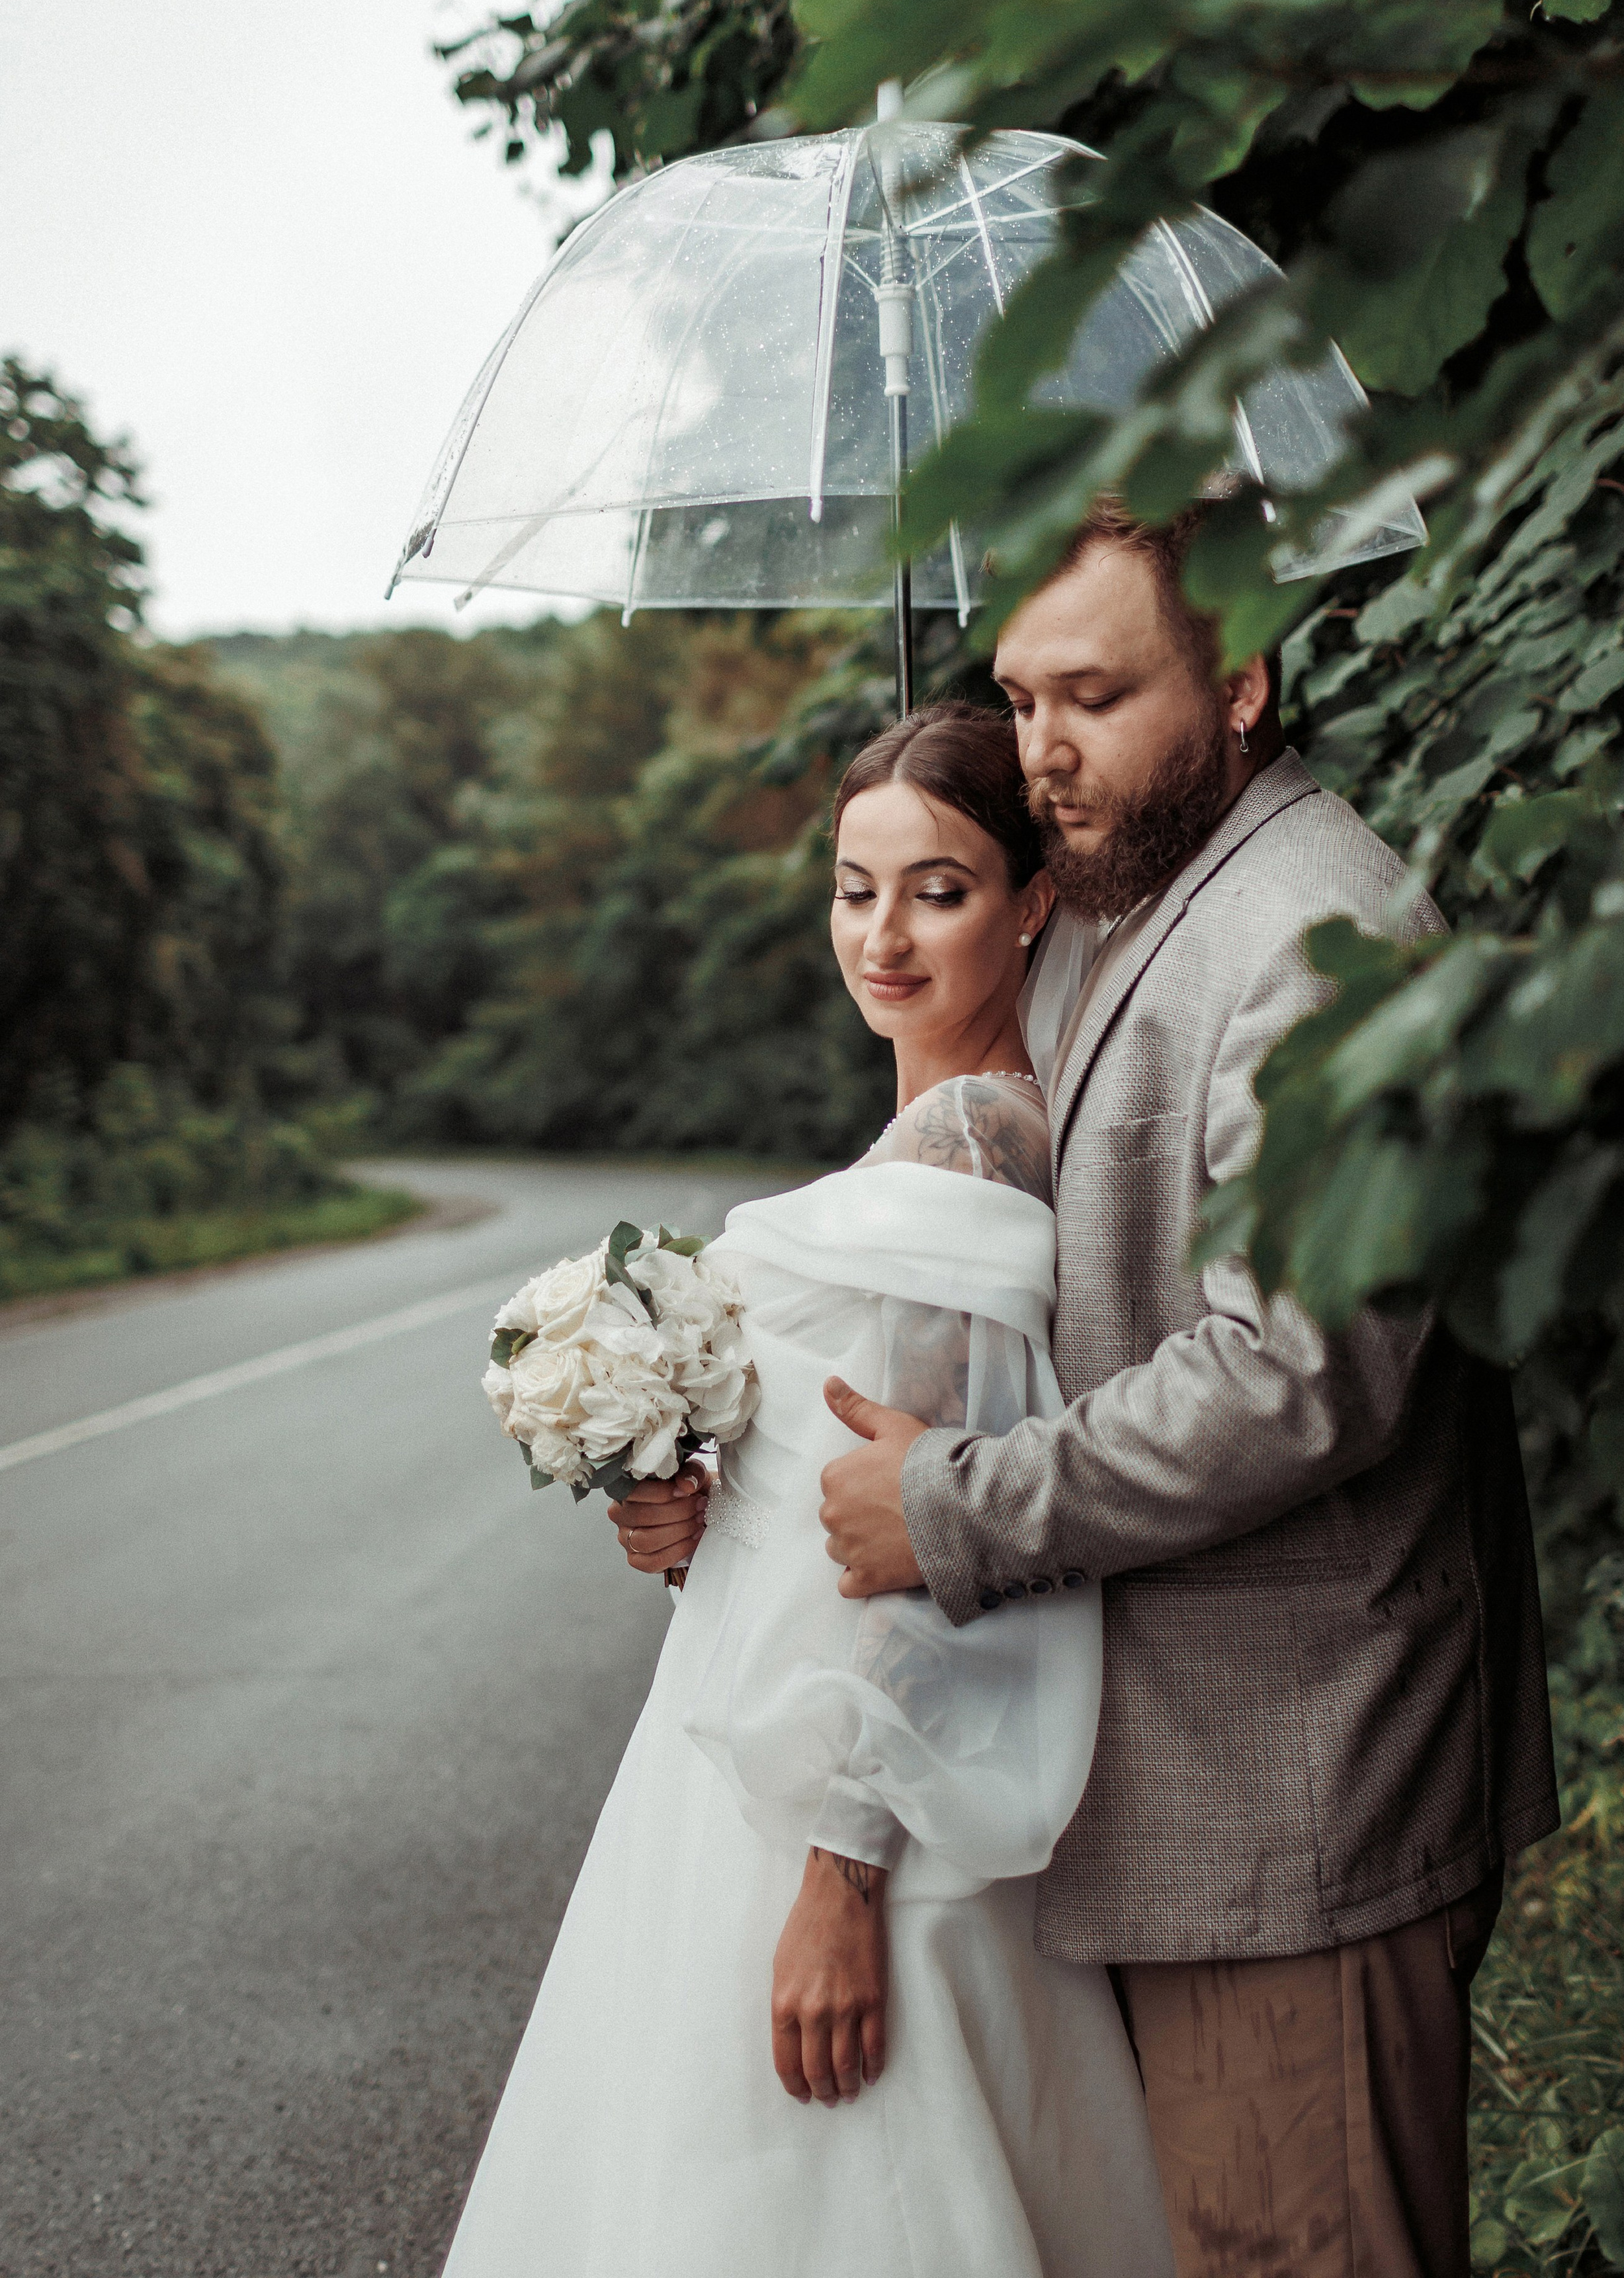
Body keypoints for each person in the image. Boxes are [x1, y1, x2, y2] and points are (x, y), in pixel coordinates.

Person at [624, 499, 1559, 2278]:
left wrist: (954, 1509)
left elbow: (1306, 1374)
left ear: (1248, 684)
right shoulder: (1132, 913)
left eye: (1100, 696)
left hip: (1300, 1802)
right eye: (1023, 696)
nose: (1046, 749)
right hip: (1153, 1805)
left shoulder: (1319, 934)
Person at [441, 702, 1176, 2278]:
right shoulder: (912, 1138)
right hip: (739, 1739)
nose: (883, 935)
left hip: (849, 1798)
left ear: (1032, 900)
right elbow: (835, 1479)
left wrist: (841, 1882)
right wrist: (680, 1490)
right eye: (855, 887)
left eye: (940, 887)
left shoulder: (975, 1141)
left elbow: (922, 1544)